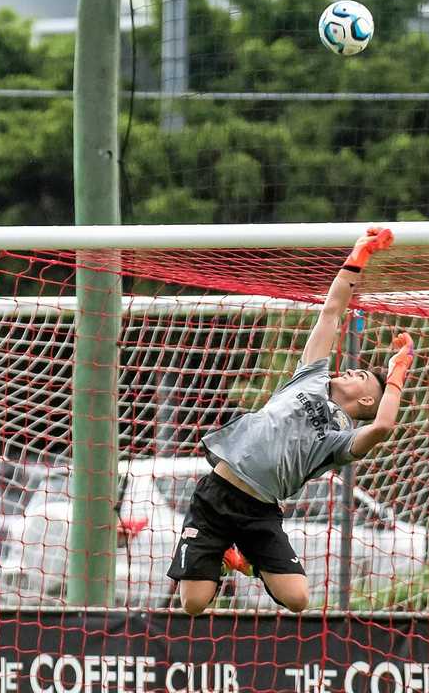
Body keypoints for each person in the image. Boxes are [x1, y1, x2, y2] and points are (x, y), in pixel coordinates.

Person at [166, 227, 415, 615]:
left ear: (367, 399)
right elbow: (332, 310)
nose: (350, 371)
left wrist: (397, 373)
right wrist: (358, 255)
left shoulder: (339, 441)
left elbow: (382, 427)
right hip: (217, 494)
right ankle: (226, 555)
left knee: (298, 600)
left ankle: (244, 553)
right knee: (193, 604)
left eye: (362, 376)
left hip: (259, 511)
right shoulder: (311, 376)